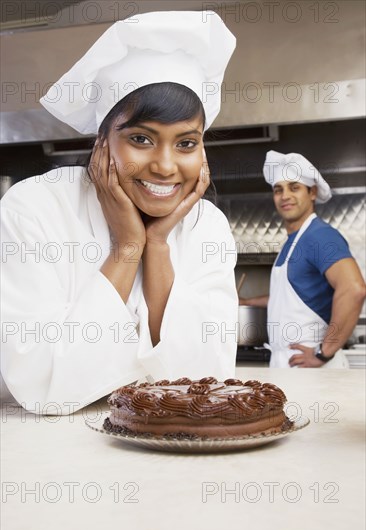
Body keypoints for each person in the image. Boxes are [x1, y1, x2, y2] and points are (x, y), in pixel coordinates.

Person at [0, 11, 238, 414]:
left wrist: (157, 244)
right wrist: (128, 247)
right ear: (102, 141)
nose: (165, 166)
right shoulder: (35, 207)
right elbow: (45, 386)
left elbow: (206, 385)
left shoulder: (207, 226)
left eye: (186, 143)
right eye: (141, 139)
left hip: (173, 451)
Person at [240, 150, 366, 368]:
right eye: (278, 190)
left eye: (294, 187)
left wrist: (322, 352)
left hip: (312, 368)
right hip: (291, 366)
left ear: (313, 193)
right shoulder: (294, 241)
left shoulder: (318, 236)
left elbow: (354, 289)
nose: (285, 196)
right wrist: (248, 302)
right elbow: (288, 298)